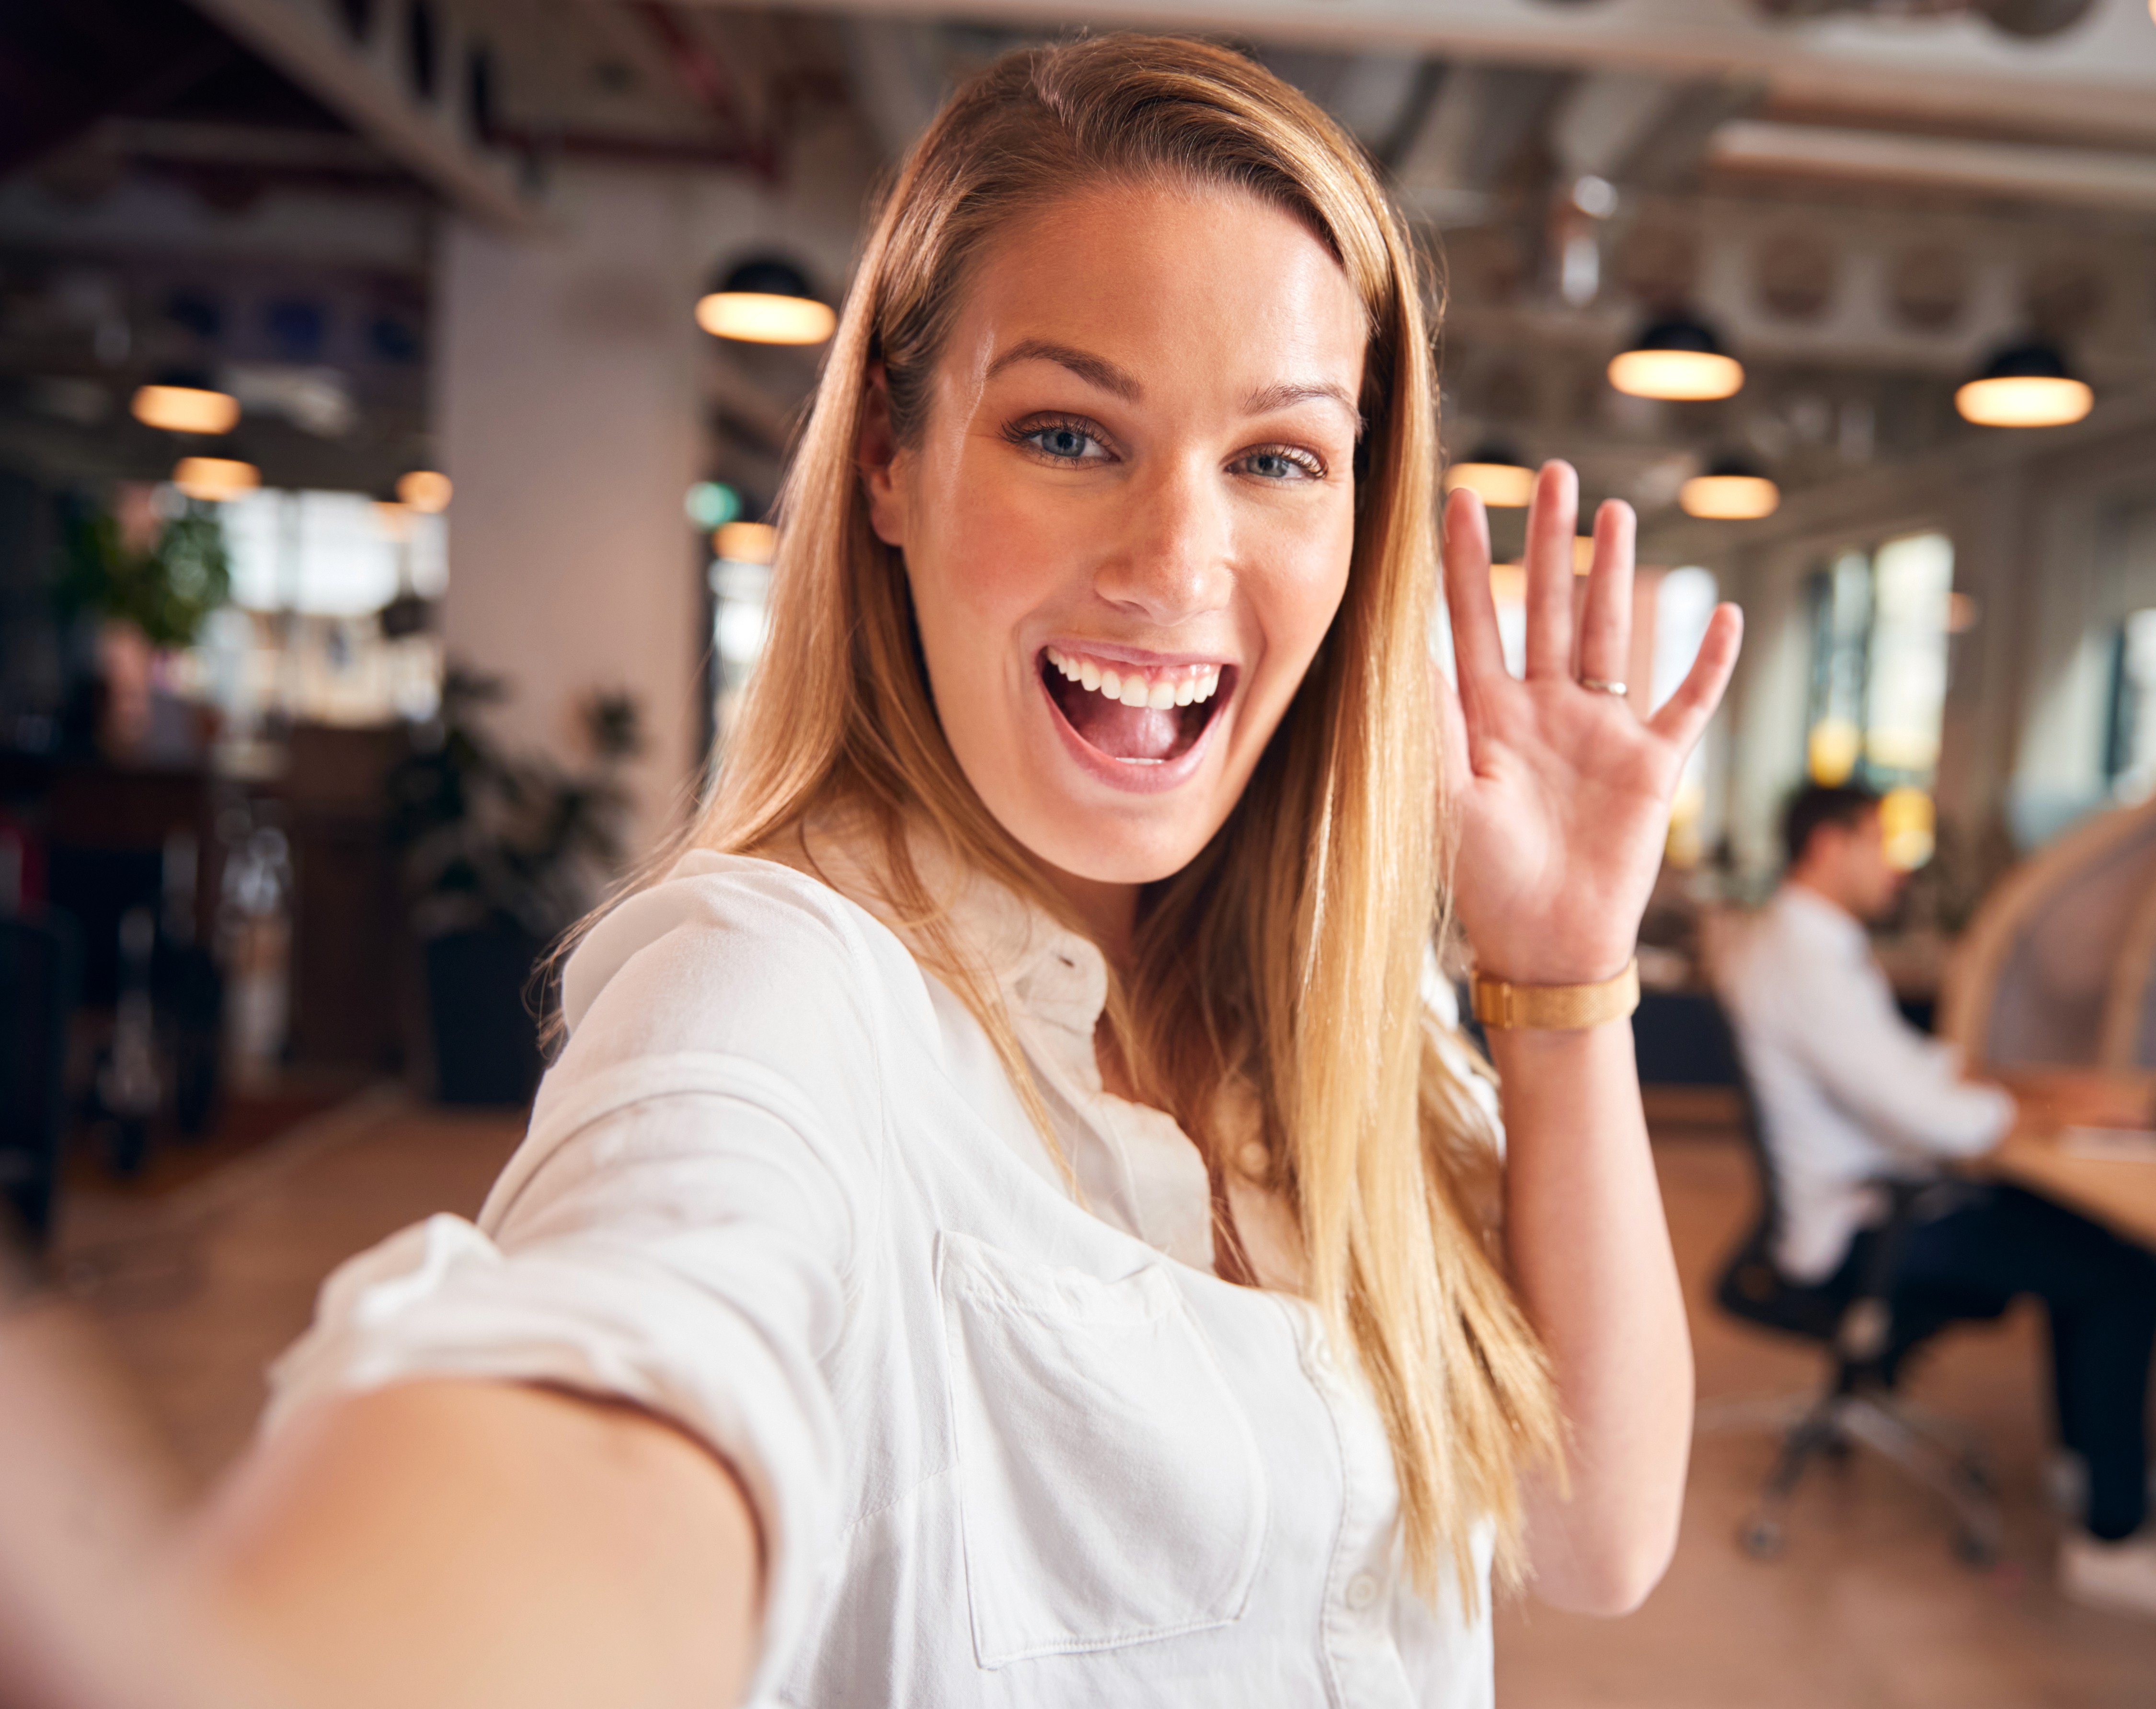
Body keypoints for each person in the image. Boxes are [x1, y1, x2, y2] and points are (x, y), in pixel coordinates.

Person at [81, 38, 1747, 1709]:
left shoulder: (1346, 1000)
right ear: (889, 458)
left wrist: (1561, 974)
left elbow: (1596, 1535)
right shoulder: (772, 984)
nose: (1176, 559)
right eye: (1069, 434)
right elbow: (629, 1359)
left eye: (1278, 458)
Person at [1718, 781, 2156, 1634]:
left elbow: (1910, 1069)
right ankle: (2111, 1540)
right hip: (1868, 1229)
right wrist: (2049, 1113)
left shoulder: (1809, 944)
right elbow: (1930, 1117)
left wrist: (2048, 1092)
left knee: (2083, 1241)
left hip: (1877, 1202)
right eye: (1879, 842)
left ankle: (2092, 1465)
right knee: (2120, 1272)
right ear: (1829, 847)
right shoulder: (1802, 959)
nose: (1896, 865)